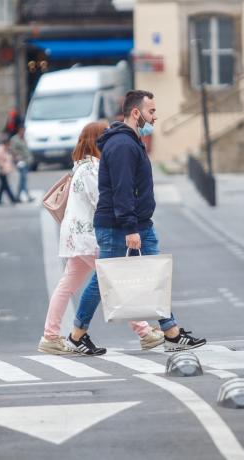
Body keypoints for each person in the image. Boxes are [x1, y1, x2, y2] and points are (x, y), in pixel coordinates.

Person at [65, 90, 207, 355]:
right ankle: (76, 335)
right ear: (135, 112)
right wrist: (131, 228)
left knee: (156, 277)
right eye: (151, 111)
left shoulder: (129, 141)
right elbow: (122, 189)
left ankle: (171, 332)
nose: (154, 117)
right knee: (104, 281)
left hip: (137, 223)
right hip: (121, 226)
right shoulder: (122, 145)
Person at [38, 121, 164, 355]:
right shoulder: (91, 169)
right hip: (88, 236)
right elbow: (102, 200)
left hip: (77, 236)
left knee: (69, 285)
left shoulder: (80, 167)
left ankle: (51, 335)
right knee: (113, 279)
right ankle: (145, 332)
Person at [9, 126, 34, 203]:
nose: (23, 132)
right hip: (21, 162)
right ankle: (27, 195)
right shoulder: (14, 139)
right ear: (19, 130)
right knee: (23, 179)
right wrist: (17, 157)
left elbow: (26, 149)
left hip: (26, 162)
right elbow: (12, 150)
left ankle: (18, 196)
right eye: (22, 130)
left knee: (23, 180)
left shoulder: (24, 138)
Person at [0, 134, 19, 206]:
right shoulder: (0, 150)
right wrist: (1, 166)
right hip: (1, 171)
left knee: (2, 186)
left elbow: (9, 159)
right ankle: (13, 199)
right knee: (6, 186)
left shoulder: (6, 149)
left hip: (5, 170)